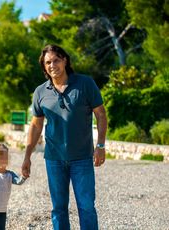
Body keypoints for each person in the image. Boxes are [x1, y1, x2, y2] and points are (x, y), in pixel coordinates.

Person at [21, 44, 108, 230]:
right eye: (47, 62)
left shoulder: (85, 84)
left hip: (82, 158)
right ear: (44, 67)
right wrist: (27, 156)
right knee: (58, 209)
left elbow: (100, 114)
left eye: (56, 60)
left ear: (65, 60)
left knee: (86, 207)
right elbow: (36, 125)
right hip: (54, 159)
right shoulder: (40, 92)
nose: (52, 65)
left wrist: (100, 145)